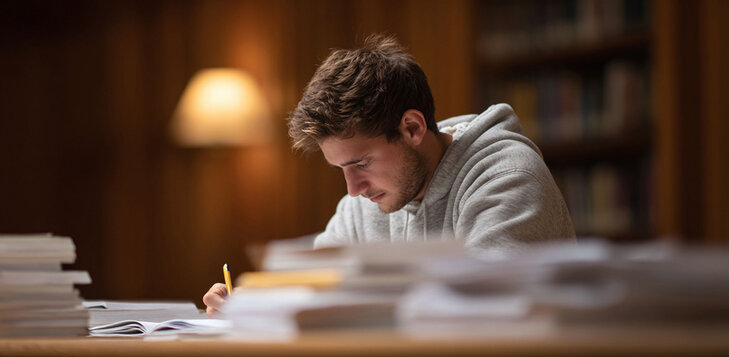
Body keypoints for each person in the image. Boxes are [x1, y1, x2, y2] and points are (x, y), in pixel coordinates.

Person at [203, 34, 575, 316]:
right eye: (341, 170)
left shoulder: (507, 176)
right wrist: (253, 310)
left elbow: (486, 317)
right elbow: (312, 290)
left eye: (361, 163)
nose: (353, 190)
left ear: (412, 128)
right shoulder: (368, 200)